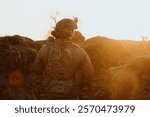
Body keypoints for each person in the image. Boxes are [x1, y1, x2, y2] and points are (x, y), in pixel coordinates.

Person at [32, 18, 94, 99]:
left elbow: (35, 72)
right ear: (71, 32)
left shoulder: (45, 49)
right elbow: (89, 75)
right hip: (70, 96)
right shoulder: (79, 51)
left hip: (48, 95)